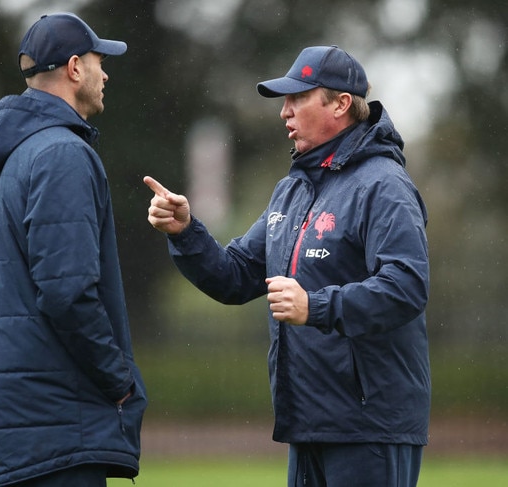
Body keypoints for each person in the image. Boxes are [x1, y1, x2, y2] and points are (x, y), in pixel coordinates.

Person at [144, 45, 430, 487]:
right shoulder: (291, 191)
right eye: (285, 100)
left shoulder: (383, 185)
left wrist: (314, 306)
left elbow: (406, 286)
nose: (285, 112)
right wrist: (185, 232)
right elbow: (236, 275)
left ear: (340, 104)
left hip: (369, 428)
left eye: (298, 97)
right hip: (308, 425)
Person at [0, 13, 147, 487]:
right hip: (57, 432)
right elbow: (68, 292)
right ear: (74, 68)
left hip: (25, 428)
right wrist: (120, 381)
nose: (105, 73)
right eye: (98, 61)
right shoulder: (61, 153)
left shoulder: (18, 154)